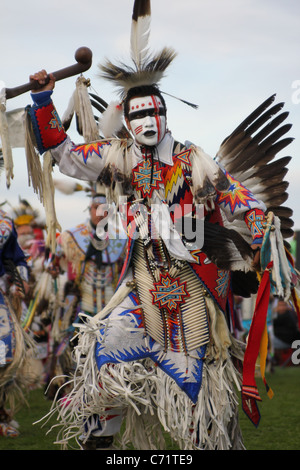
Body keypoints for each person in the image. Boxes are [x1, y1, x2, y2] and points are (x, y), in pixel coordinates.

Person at [26, 0, 297, 450]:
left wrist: (259, 219)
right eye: (138, 115)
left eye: (155, 113)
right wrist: (42, 98)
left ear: (166, 115)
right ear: (128, 122)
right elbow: (66, 154)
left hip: (190, 290)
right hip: (142, 287)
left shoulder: (193, 160)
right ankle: (103, 439)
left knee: (196, 400)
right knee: (104, 352)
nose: (149, 122)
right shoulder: (118, 157)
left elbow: (230, 192)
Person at [44, 186, 126, 399]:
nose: (100, 213)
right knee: (75, 345)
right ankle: (72, 387)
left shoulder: (120, 238)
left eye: (104, 209)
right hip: (84, 301)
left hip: (111, 302)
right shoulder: (74, 236)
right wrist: (52, 266)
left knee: (112, 345)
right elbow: (53, 259)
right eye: (96, 208)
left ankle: (110, 386)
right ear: (89, 210)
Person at [0, 207, 31, 437]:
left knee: (5, 355)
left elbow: (16, 258)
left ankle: (1, 416)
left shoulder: (4, 223)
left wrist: (20, 282)